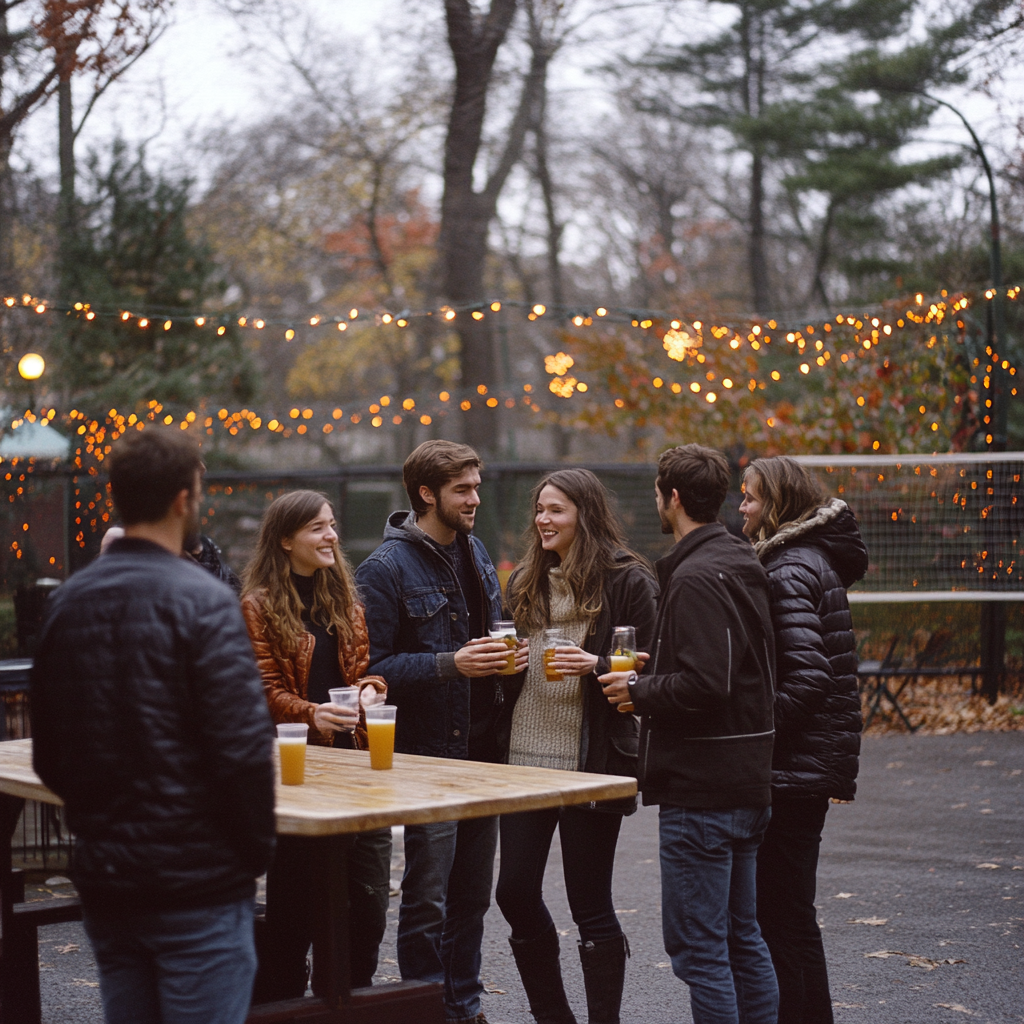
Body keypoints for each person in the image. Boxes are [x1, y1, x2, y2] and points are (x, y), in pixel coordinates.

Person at [31, 428, 276, 1024]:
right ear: (183, 500)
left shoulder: (68, 602)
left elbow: (51, 754)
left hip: (107, 877)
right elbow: (242, 753)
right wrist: (252, 853)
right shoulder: (205, 601)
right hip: (198, 882)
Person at [600, 443, 778, 1024]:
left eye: (657, 491)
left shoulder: (698, 574)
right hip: (744, 781)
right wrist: (660, 669)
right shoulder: (738, 559)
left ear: (672, 497)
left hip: (703, 791)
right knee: (740, 938)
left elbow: (709, 684)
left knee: (702, 952)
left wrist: (639, 691)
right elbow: (731, 668)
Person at [355, 440, 527, 1024]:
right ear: (427, 494)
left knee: (472, 900)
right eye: (463, 489)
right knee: (427, 900)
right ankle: (426, 1009)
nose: (475, 498)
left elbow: (486, 640)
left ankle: (464, 1008)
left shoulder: (475, 552)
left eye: (476, 486)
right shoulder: (383, 569)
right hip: (429, 758)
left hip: (483, 754)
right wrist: (452, 663)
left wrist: (508, 659)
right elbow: (370, 672)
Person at [496, 469, 657, 1024]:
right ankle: (553, 1017)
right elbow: (506, 672)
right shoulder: (522, 583)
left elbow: (655, 665)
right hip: (524, 762)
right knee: (513, 892)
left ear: (584, 515)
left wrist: (596, 666)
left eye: (556, 510)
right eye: (539, 509)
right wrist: (503, 667)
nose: (543, 519)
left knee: (590, 905)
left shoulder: (628, 581)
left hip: (593, 764)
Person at [240, 490, 391, 999]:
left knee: (367, 911)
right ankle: (285, 1001)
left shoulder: (344, 599)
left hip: (355, 768)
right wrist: (313, 714)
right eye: (317, 528)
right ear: (285, 540)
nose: (331, 536)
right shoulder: (258, 606)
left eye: (331, 525)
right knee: (296, 909)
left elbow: (363, 671)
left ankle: (349, 999)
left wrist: (373, 689)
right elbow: (264, 691)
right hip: (298, 771)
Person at [739, 457, 867, 1024]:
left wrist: (756, 733)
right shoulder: (810, 560)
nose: (741, 508)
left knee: (779, 917)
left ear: (780, 505)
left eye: (751, 498)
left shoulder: (788, 568)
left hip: (794, 769)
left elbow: (810, 677)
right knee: (792, 914)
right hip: (808, 767)